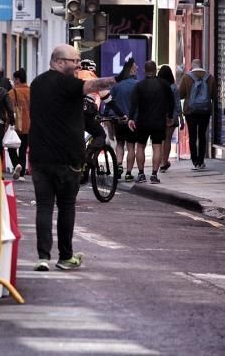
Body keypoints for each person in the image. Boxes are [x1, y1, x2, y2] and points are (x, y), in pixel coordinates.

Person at [29, 44, 131, 272]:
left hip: (40, 158)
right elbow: (93, 85)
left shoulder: (37, 83)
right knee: (66, 206)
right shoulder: (68, 84)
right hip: (67, 157)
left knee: (44, 207)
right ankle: (65, 257)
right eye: (73, 61)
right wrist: (117, 78)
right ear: (58, 61)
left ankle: (42, 257)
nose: (77, 65)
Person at [128, 60, 175, 184]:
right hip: (159, 121)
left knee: (140, 146)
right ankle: (154, 174)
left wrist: (131, 118)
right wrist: (169, 116)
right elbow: (171, 102)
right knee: (157, 146)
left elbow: (133, 104)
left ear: (144, 70)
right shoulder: (164, 85)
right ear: (155, 70)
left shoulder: (139, 85)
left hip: (142, 121)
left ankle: (141, 173)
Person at [179, 59, 215, 171]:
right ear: (201, 66)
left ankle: (195, 161)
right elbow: (214, 95)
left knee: (192, 135)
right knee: (202, 135)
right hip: (205, 110)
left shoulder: (186, 77)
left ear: (192, 66)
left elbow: (180, 94)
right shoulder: (210, 77)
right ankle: (201, 160)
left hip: (190, 111)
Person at [108, 60, 138, 181]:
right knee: (131, 147)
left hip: (118, 120)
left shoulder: (116, 85)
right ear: (131, 70)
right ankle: (129, 173)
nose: (137, 68)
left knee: (119, 143)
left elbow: (109, 101)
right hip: (132, 120)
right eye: (135, 67)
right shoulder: (137, 84)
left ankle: (119, 164)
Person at [158, 64, 184, 172]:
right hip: (172, 116)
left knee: (159, 140)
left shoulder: (157, 86)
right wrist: (181, 117)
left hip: (158, 116)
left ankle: (159, 161)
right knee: (167, 139)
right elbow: (177, 104)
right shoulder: (174, 87)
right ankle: (164, 161)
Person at [8, 68, 31, 179]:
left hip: (16, 124)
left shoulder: (12, 93)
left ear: (17, 80)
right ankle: (21, 174)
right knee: (23, 148)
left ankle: (16, 164)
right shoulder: (32, 91)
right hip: (29, 125)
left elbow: (7, 109)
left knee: (12, 147)